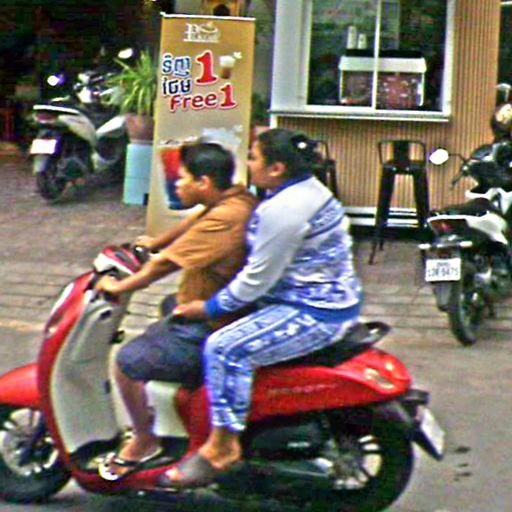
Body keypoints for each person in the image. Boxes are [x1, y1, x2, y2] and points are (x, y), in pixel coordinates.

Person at [159, 128, 363, 489]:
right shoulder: (304, 191)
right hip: (318, 298)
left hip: (311, 311)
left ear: (276, 168)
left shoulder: (285, 210)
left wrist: (209, 308)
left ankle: (222, 446)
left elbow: (255, 281)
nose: (248, 164)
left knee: (224, 348)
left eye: (253, 158)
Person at [94, 141, 258, 481]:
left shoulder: (226, 219)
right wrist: (154, 243)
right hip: (218, 310)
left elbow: (164, 266)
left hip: (213, 323)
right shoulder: (235, 200)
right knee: (167, 307)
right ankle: (183, 409)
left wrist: (119, 287)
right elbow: (193, 224)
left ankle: (144, 440)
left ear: (204, 183)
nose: (176, 185)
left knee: (127, 363)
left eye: (182, 178)